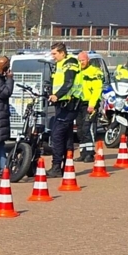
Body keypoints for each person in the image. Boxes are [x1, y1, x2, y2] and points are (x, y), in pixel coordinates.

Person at [46, 42, 81, 178]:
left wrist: (57, 95)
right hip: (62, 104)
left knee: (57, 135)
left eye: (55, 53)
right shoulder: (59, 64)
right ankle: (67, 166)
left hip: (69, 103)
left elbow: (68, 82)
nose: (53, 56)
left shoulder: (70, 62)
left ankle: (56, 167)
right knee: (66, 135)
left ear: (62, 53)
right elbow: (56, 82)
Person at [75, 51, 105, 162]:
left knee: (88, 128)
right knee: (80, 129)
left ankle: (90, 154)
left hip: (90, 104)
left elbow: (97, 90)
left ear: (88, 60)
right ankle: (83, 153)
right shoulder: (77, 72)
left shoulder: (94, 72)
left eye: (82, 60)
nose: (81, 62)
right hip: (79, 104)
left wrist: (92, 104)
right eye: (79, 60)